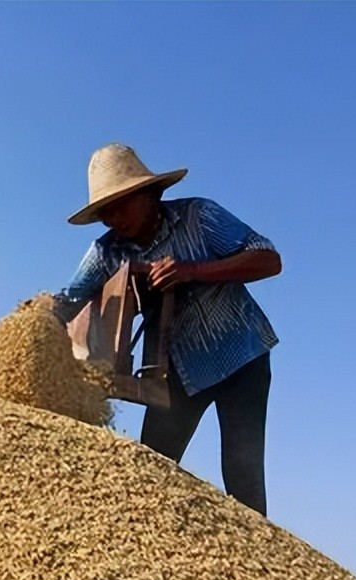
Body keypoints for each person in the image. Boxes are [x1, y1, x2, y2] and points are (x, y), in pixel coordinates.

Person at [53, 143, 282, 515]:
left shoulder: (199, 216)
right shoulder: (107, 252)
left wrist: (192, 270)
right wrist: (37, 318)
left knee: (243, 473)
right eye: (105, 213)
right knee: (152, 467)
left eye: (121, 205)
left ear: (149, 194)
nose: (114, 219)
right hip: (177, 372)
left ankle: (259, 548)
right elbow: (67, 300)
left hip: (241, 356)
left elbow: (268, 259)